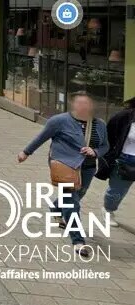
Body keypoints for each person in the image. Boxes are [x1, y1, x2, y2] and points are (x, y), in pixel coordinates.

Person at [18, 91, 108, 257]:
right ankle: (78, 240)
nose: (84, 107)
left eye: (87, 104)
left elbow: (105, 146)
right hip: (65, 166)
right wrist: (26, 152)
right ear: (73, 105)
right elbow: (41, 137)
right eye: (80, 103)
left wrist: (95, 151)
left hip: (87, 167)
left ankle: (55, 208)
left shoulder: (100, 124)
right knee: (73, 203)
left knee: (78, 195)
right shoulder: (59, 121)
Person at [103, 97, 135, 227]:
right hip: (125, 160)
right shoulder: (125, 116)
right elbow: (109, 133)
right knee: (117, 191)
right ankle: (108, 210)